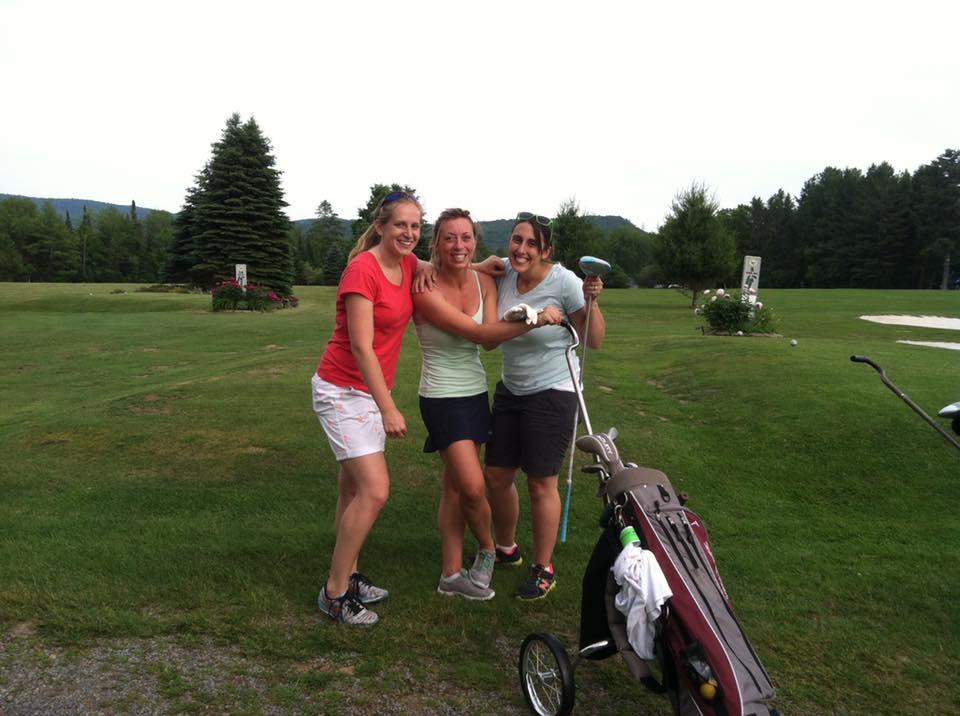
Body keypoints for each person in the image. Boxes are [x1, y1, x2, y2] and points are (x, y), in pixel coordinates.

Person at [412, 209, 562, 601]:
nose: (458, 245)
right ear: (436, 243)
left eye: (465, 237)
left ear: (475, 240)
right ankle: (488, 548)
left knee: (455, 487)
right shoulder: (424, 288)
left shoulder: (484, 281)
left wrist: (479, 269)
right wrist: (537, 320)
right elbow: (480, 334)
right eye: (449, 238)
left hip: (476, 393)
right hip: (442, 396)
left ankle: (450, 573)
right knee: (474, 488)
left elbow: (494, 340)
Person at [311, 191, 425, 626]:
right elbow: (361, 346)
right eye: (400, 225)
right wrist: (389, 408)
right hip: (343, 390)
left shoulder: (409, 263)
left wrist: (483, 265)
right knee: (375, 491)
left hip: (366, 391)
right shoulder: (363, 270)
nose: (409, 234)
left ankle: (350, 574)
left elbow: (443, 268)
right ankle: (334, 592)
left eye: (415, 227)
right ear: (380, 226)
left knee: (353, 491)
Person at [485, 211, 606, 600]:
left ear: (546, 250)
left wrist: (592, 303)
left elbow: (595, 339)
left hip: (554, 389)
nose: (521, 249)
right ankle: (507, 548)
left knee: (540, 482)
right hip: (511, 387)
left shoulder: (564, 281)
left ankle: (544, 568)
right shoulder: (504, 273)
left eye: (531, 243)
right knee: (497, 476)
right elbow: (467, 266)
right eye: (516, 240)